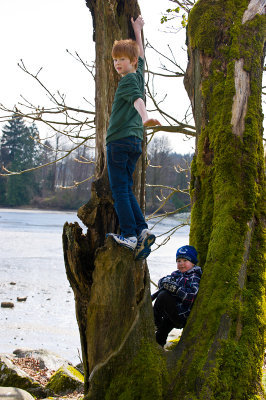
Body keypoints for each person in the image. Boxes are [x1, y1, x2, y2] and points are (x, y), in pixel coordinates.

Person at [106, 15, 161, 261]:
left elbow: (138, 99)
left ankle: (128, 235)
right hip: (133, 143)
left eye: (122, 60)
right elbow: (142, 56)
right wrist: (138, 30)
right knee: (126, 188)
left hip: (118, 141)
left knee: (119, 189)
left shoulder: (129, 82)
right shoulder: (137, 73)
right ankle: (141, 230)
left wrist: (145, 117)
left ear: (131, 62)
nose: (118, 63)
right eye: (115, 59)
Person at [153, 245, 202, 347]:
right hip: (171, 313)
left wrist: (176, 289)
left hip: (182, 315)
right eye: (179, 261)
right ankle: (158, 346)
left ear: (193, 262)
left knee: (163, 296)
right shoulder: (176, 274)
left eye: (185, 260)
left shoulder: (194, 276)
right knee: (162, 332)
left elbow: (191, 297)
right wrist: (164, 282)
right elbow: (161, 281)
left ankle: (155, 321)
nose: (181, 264)